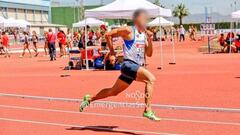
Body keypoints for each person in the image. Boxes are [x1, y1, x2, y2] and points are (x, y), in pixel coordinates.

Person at [79, 9, 160, 121]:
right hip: (128, 65)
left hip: (134, 68)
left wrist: (150, 40)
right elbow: (108, 35)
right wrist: (112, 52)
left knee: (113, 92)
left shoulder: (144, 36)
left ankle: (89, 98)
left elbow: (149, 54)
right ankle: (147, 110)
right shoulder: (128, 30)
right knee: (150, 79)